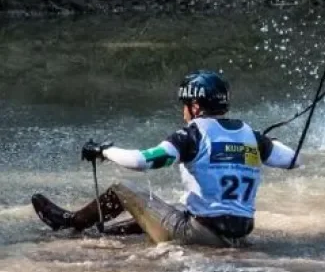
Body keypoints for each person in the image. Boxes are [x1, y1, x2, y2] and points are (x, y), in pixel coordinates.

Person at [31, 70, 302, 247]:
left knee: (124, 191)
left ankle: (70, 221)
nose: (183, 112)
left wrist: (104, 151)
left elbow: (142, 161)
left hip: (199, 235)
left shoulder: (193, 134)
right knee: (166, 207)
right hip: (238, 237)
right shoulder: (252, 136)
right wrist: (266, 142)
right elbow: (293, 160)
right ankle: (109, 234)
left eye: (184, 105)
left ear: (194, 106)